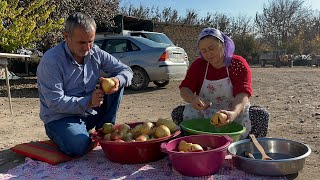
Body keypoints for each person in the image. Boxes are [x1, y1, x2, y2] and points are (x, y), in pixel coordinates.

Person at [36, 12, 133, 157]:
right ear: (66, 36)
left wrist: (117, 81)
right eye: (82, 42)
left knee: (115, 85)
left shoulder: (95, 52)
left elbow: (126, 70)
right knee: (79, 146)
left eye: (91, 41)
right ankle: (76, 136)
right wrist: (88, 101)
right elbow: (54, 102)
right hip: (61, 118)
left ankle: (104, 130)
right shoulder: (51, 61)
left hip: (89, 113)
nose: (88, 48)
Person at [171, 27, 269, 139]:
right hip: (206, 113)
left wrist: (233, 113)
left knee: (261, 115)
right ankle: (195, 142)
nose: (208, 54)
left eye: (211, 48)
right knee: (178, 113)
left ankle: (246, 148)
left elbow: (243, 94)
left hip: (235, 112)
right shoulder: (198, 65)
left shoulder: (237, 64)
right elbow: (185, 89)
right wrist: (193, 99)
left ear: (223, 45)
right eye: (204, 51)